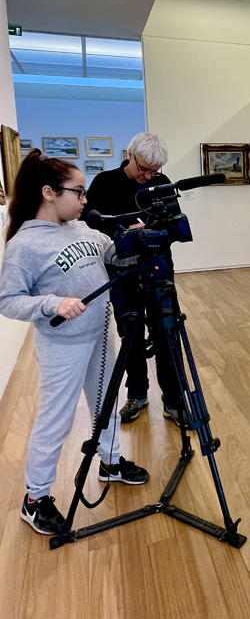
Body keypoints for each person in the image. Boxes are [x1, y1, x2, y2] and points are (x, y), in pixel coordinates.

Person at [0, 151, 149, 535]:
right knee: (57, 419)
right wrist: (53, 303)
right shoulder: (25, 245)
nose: (85, 200)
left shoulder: (81, 229)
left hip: (99, 334)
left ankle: (110, 462)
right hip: (62, 345)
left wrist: (132, 241)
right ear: (49, 193)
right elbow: (8, 300)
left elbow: (111, 255)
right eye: (78, 192)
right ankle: (35, 499)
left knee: (106, 402)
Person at [81, 132, 186, 426]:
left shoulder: (162, 184)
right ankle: (137, 394)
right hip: (122, 274)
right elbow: (88, 225)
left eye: (154, 170)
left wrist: (153, 230)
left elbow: (174, 226)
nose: (148, 176)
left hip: (159, 269)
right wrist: (125, 232)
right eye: (144, 169)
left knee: (167, 334)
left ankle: (174, 401)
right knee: (131, 335)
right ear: (130, 155)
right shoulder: (104, 183)